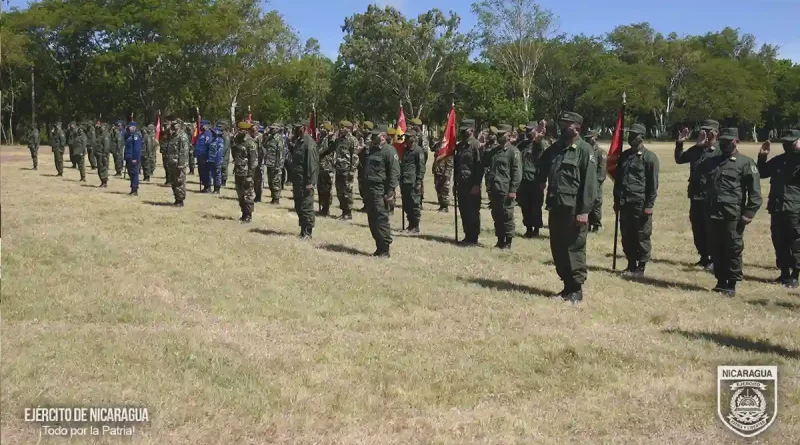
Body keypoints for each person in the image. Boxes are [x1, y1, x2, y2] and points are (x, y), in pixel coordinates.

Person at [535, 111, 597, 303]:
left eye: (567, 124)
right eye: (561, 123)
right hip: (556, 206)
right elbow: (540, 165)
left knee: (574, 248)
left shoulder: (585, 151)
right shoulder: (555, 149)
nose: (562, 127)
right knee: (559, 249)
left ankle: (576, 290)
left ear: (577, 127)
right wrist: (538, 142)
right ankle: (566, 287)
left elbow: (589, 184)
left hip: (574, 209)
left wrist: (585, 211)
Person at [701, 127, 762, 297]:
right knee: (716, 248)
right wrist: (703, 147)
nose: (725, 144)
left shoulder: (745, 163)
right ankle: (720, 281)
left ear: (736, 141)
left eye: (729, 141)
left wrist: (749, 213)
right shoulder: (713, 160)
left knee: (732, 249)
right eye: (723, 141)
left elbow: (755, 192)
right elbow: (698, 170)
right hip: (713, 213)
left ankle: (732, 284)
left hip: (733, 215)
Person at [612, 123, 660, 276]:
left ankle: (641, 266)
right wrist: (616, 200)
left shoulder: (650, 158)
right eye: (629, 134)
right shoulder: (624, 156)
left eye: (635, 135)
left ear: (642, 137)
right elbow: (618, 180)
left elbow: (653, 184)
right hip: (625, 202)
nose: (631, 137)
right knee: (627, 235)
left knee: (642, 235)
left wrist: (649, 205)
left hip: (640, 203)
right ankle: (631, 263)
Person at [675, 120, 721, 270]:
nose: (703, 133)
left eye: (707, 131)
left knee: (711, 229)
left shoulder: (720, 150)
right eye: (702, 130)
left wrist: (702, 148)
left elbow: (703, 166)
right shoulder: (697, 149)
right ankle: (704, 256)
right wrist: (680, 143)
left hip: (711, 196)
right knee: (698, 227)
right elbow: (680, 159)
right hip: (696, 195)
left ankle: (714, 258)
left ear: (715, 132)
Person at [757, 129, 800, 288]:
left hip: (796, 209)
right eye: (785, 143)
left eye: (791, 142)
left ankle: (795, 275)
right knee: (779, 242)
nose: (787, 145)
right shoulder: (779, 161)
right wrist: (762, 157)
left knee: (795, 243)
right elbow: (762, 173)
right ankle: (784, 274)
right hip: (777, 207)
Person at [362, 125, 400, 256]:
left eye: (375, 135)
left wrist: (390, 192)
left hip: (380, 192)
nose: (372, 137)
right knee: (372, 220)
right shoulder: (371, 150)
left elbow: (394, 173)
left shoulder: (390, 151)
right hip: (369, 190)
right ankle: (379, 247)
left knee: (381, 220)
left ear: (383, 136)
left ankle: (385, 248)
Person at [483, 124, 522, 249]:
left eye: (502, 134)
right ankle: (500, 240)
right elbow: (484, 162)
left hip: (506, 189)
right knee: (497, 215)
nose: (499, 136)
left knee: (507, 216)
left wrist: (513, 190)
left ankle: (508, 241)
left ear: (509, 135)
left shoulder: (513, 152)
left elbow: (517, 172)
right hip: (494, 188)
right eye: (498, 134)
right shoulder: (494, 151)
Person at [454, 119, 483, 245]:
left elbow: (479, 166)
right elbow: (457, 165)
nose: (462, 132)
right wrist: (455, 182)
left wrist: (477, 184)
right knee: (464, 210)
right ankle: (467, 235)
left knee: (473, 212)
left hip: (472, 184)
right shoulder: (460, 146)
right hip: (461, 183)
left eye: (465, 129)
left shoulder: (476, 145)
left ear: (472, 130)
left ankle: (473, 237)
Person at [516, 121, 547, 238]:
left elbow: (542, 160)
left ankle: (536, 229)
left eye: (530, 130)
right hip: (523, 180)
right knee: (525, 205)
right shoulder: (523, 144)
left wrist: (543, 180)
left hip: (535, 180)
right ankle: (528, 228)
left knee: (536, 206)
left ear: (535, 130)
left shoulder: (540, 144)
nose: (528, 133)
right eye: (527, 131)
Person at [290, 122, 319, 238]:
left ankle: (308, 231)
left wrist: (310, 182)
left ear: (304, 128)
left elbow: (312, 164)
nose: (296, 130)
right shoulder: (299, 142)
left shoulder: (309, 143)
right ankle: (302, 229)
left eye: (298, 128)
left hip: (305, 181)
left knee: (306, 206)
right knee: (298, 205)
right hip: (297, 180)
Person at [399, 129, 425, 233]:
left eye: (408, 137)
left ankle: (415, 226)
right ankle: (410, 225)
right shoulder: (405, 150)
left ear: (414, 138)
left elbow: (421, 168)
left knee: (414, 204)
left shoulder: (418, 151)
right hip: (404, 181)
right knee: (406, 204)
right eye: (406, 137)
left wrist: (419, 181)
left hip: (413, 182)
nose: (406, 139)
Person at [232, 121, 258, 222]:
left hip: (247, 173)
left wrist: (250, 175)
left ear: (247, 131)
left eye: (243, 130)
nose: (241, 131)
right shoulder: (237, 140)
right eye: (240, 129)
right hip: (238, 171)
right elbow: (234, 153)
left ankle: (248, 215)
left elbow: (254, 161)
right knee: (240, 194)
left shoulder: (250, 142)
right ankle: (243, 213)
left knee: (248, 194)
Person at [334, 120, 359, 220]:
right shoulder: (340, 140)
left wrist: (352, 171)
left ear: (349, 128)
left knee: (347, 191)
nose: (341, 129)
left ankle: (348, 212)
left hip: (347, 170)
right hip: (339, 168)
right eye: (341, 127)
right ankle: (343, 210)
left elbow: (355, 156)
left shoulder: (353, 140)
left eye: (343, 127)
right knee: (339, 191)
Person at [585, 129, 607, 233]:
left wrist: (597, 182)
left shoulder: (601, 153)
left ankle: (596, 224)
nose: (588, 140)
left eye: (590, 137)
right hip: (586, 181)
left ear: (595, 138)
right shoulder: (585, 150)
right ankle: (587, 224)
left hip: (596, 182)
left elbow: (602, 170)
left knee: (596, 202)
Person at [165, 119, 190, 207]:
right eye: (173, 124)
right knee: (173, 182)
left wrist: (181, 164)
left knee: (179, 182)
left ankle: (180, 200)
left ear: (180, 125)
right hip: (172, 163)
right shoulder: (173, 136)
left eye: (175, 124)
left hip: (179, 164)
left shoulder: (182, 136)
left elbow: (184, 152)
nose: (173, 126)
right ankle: (176, 198)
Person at [317, 122, 336, 216]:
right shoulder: (321, 138)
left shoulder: (331, 139)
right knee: (320, 188)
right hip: (320, 166)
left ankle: (326, 208)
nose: (321, 130)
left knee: (327, 189)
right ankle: (322, 206)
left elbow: (325, 150)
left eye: (323, 128)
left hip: (328, 167)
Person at [264, 124, 284, 204]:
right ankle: (273, 196)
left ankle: (276, 198)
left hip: (276, 164)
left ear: (277, 129)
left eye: (273, 129)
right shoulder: (269, 138)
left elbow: (280, 153)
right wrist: (265, 135)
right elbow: (264, 145)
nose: (271, 130)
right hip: (269, 163)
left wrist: (279, 165)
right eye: (270, 129)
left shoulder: (279, 139)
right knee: (270, 181)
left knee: (276, 181)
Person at [124, 122, 142, 196]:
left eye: (130, 127)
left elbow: (137, 149)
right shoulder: (130, 136)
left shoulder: (136, 136)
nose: (128, 128)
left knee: (134, 174)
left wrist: (135, 158)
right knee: (131, 173)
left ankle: (134, 189)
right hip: (129, 158)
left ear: (134, 127)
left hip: (133, 158)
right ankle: (132, 188)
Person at [195, 120, 212, 192]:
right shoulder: (200, 135)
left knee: (206, 173)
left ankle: (208, 186)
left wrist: (209, 157)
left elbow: (209, 146)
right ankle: (205, 185)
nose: (201, 127)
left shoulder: (209, 134)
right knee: (201, 172)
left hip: (205, 157)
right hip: (200, 157)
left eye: (202, 125)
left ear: (206, 126)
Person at [208, 124, 225, 194]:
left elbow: (220, 152)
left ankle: (217, 189)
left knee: (217, 175)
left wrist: (217, 161)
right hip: (211, 159)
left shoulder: (220, 141)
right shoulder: (212, 140)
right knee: (213, 174)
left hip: (217, 160)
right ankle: (214, 188)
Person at [96, 123, 111, 188]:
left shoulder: (106, 135)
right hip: (99, 154)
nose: (100, 128)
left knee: (103, 168)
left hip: (103, 154)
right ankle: (102, 181)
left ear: (104, 127)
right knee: (100, 168)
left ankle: (104, 182)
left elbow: (106, 146)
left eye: (101, 127)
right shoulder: (100, 134)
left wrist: (105, 154)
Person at [221, 122, 232, 187]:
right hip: (222, 154)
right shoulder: (223, 135)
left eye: (222, 126)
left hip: (225, 155)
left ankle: (224, 181)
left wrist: (221, 154)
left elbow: (225, 146)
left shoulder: (226, 136)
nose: (221, 127)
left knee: (224, 167)